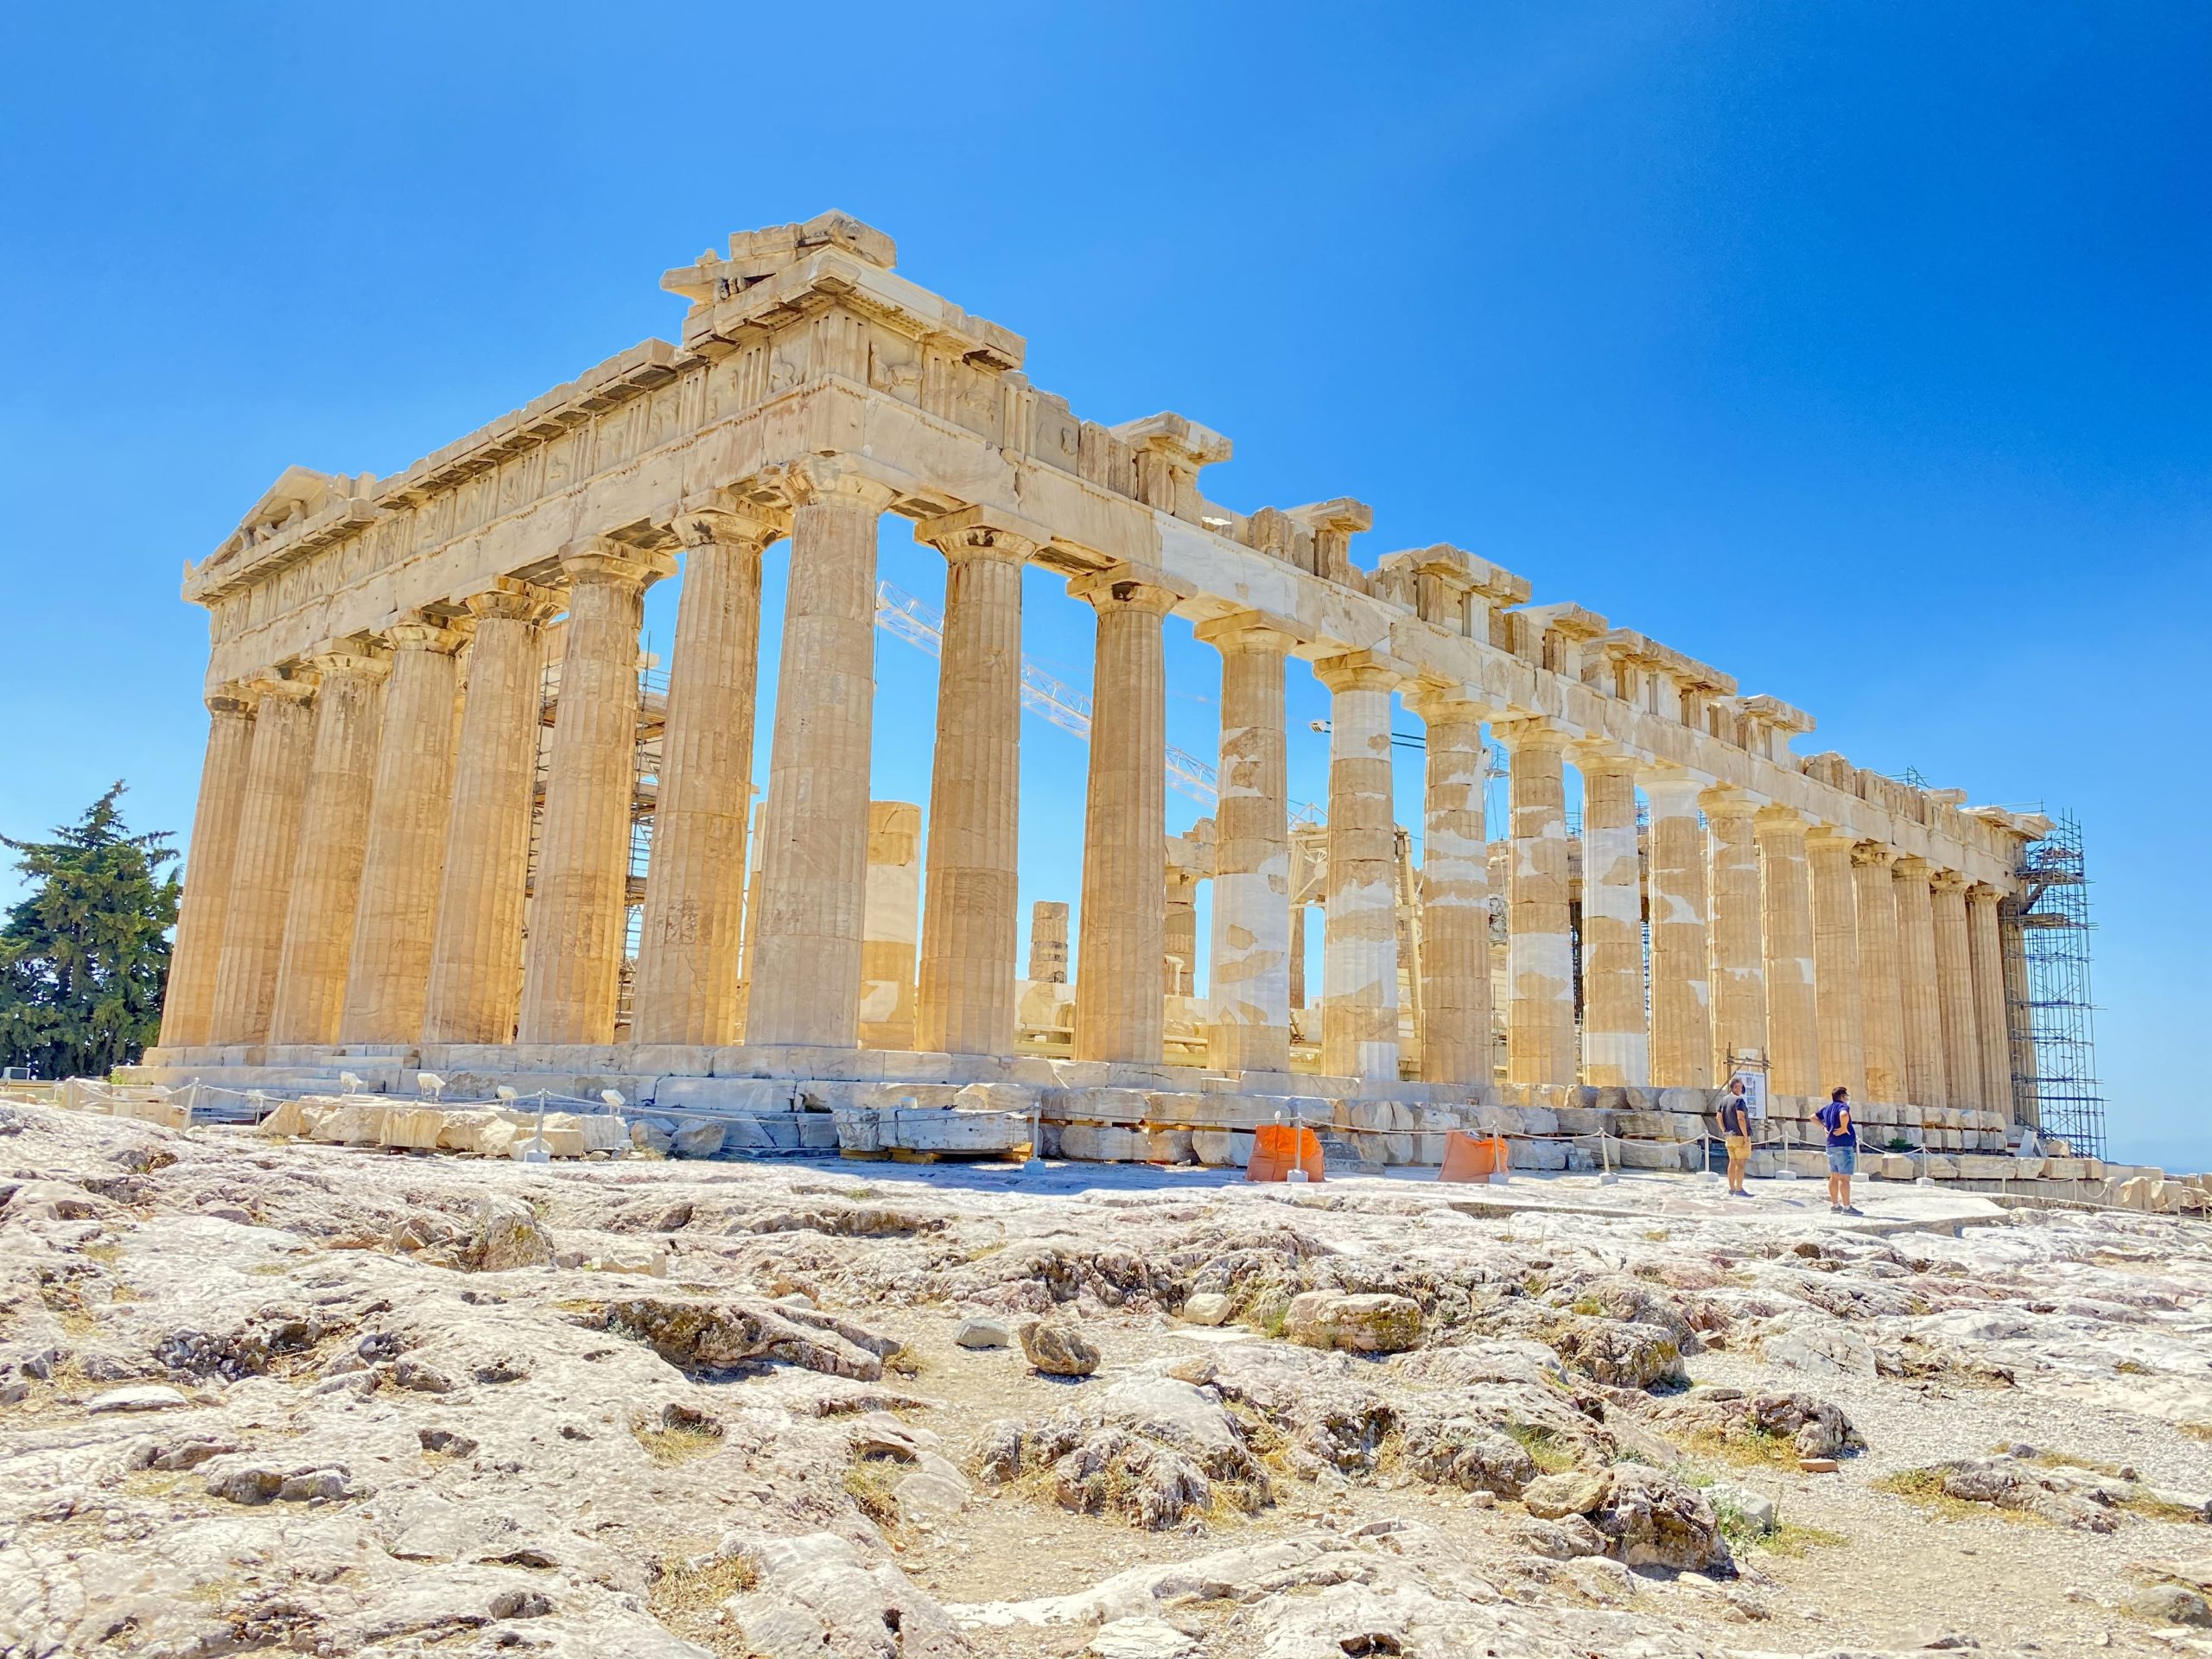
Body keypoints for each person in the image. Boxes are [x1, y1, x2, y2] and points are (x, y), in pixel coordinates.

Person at [1817, 1086, 1861, 1215]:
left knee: (1834, 1176)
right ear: (1842, 1096)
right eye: (1846, 1096)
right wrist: (1843, 1128)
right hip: (1843, 1145)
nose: (1847, 1098)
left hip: (1831, 1145)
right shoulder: (1842, 1107)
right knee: (1844, 1178)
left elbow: (1813, 1116)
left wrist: (1824, 1127)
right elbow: (1844, 1114)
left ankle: (1835, 1205)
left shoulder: (1827, 1108)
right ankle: (1847, 1208)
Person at [1718, 1077, 1754, 1198]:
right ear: (1736, 1087)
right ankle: (1739, 1189)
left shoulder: (1723, 1100)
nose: (1742, 1088)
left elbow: (1718, 1117)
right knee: (1740, 1164)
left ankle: (1731, 1188)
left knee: (1732, 1162)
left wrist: (1724, 1130)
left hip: (1729, 1136)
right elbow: (1741, 1118)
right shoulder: (1739, 1101)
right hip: (1739, 1135)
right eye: (1741, 1086)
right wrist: (1745, 1136)